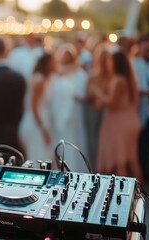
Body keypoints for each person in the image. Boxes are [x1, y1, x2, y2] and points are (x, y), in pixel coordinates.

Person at [94, 51, 143, 179]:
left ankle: (124, 196)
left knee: (120, 162)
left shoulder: (118, 80)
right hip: (130, 121)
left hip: (120, 125)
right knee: (132, 160)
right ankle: (141, 195)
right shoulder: (129, 79)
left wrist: (98, 92)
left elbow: (112, 103)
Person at [50, 44, 88, 172]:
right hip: (58, 111)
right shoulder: (56, 71)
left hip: (73, 113)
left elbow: (82, 94)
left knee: (73, 139)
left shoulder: (79, 72)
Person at [132, 33, 149, 183]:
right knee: (144, 143)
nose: (148, 48)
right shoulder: (134, 64)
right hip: (142, 110)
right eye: (145, 45)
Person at [19, 53, 56, 161]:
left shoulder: (45, 79)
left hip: (43, 118)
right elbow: (33, 107)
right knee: (39, 157)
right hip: (37, 122)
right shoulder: (39, 81)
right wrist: (43, 129)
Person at [82, 46, 112, 168]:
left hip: (106, 111)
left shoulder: (111, 76)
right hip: (92, 110)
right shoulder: (93, 75)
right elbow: (88, 93)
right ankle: (94, 166)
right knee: (93, 139)